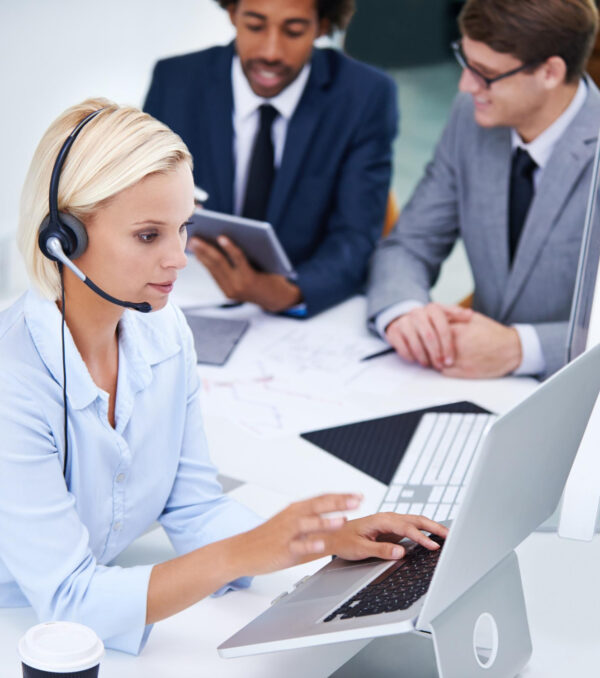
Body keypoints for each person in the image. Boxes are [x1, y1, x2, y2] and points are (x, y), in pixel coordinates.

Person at [0, 99, 446, 655]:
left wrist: (322, 540)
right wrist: (250, 551)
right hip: (24, 625)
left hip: (100, 601)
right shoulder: (14, 378)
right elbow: (68, 599)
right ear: (64, 238)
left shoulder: (165, 333)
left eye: (183, 227)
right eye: (148, 235)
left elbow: (193, 507)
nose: (179, 258)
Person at [367, 0, 600, 380]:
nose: (465, 85)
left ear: (550, 72)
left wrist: (521, 348)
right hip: (473, 384)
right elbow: (410, 243)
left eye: (486, 74)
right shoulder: (470, 117)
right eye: (465, 61)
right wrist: (405, 312)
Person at [144, 0, 397, 317]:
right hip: (185, 294)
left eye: (293, 31)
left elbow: (356, 237)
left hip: (298, 307)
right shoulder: (176, 81)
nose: (271, 52)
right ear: (233, 13)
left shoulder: (366, 97)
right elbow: (141, 206)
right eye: (255, 26)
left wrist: (290, 293)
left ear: (321, 26)